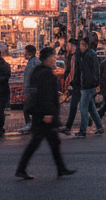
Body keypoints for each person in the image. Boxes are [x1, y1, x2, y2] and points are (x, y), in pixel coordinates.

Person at [15, 47, 75, 180]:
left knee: (52, 142)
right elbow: (46, 95)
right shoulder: (45, 74)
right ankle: (21, 169)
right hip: (44, 115)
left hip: (40, 113)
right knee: (37, 142)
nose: (55, 59)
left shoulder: (38, 71)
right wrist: (48, 113)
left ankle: (61, 168)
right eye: (53, 57)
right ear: (47, 58)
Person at [74, 35, 103, 137]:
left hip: (88, 86)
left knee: (83, 108)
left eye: (82, 44)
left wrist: (95, 83)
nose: (80, 46)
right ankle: (100, 127)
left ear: (86, 45)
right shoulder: (84, 54)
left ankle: (83, 131)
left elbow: (94, 71)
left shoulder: (89, 55)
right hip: (86, 85)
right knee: (91, 109)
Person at [59, 39, 80, 134]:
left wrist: (68, 82)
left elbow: (72, 71)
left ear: (73, 46)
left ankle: (68, 126)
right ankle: (94, 123)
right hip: (76, 83)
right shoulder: (70, 56)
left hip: (76, 84)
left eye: (68, 45)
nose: (67, 47)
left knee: (74, 105)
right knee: (88, 106)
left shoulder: (74, 56)